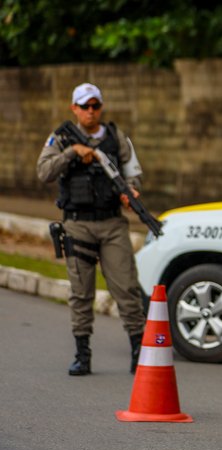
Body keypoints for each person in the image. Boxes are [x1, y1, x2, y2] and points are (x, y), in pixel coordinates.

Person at [36, 82, 147, 376]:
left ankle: (138, 350)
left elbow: (133, 173)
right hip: (77, 225)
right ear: (74, 108)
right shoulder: (61, 137)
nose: (90, 111)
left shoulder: (115, 137)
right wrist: (72, 152)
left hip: (112, 224)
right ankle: (82, 353)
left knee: (126, 288)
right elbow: (44, 171)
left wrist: (131, 192)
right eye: (84, 106)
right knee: (81, 292)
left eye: (95, 105)